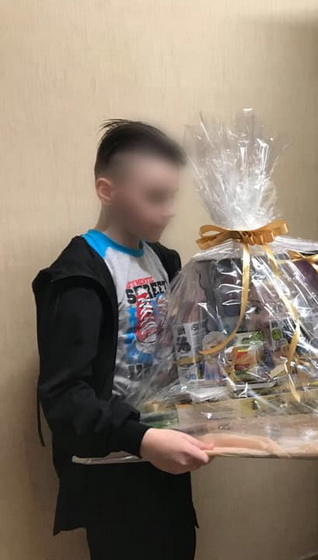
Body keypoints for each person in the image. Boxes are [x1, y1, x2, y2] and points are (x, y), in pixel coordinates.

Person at [34, 120, 212, 560]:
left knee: (178, 547)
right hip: (112, 467)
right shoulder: (78, 276)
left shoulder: (164, 260)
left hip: (165, 452)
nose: (168, 211)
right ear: (106, 190)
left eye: (171, 196)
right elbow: (64, 396)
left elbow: (178, 350)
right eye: (155, 197)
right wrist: (141, 439)